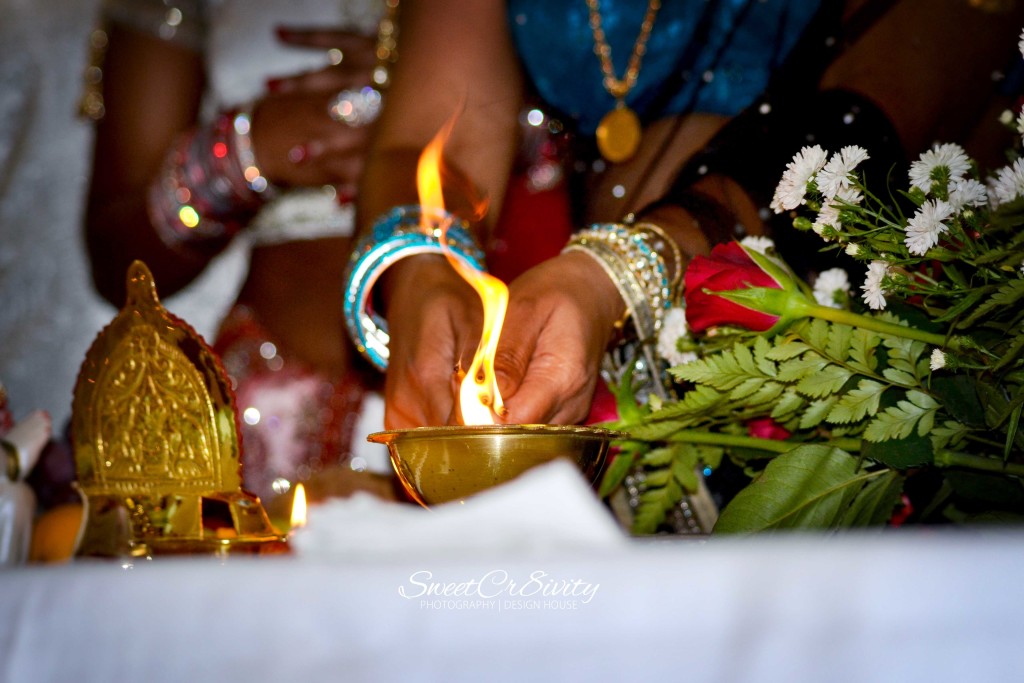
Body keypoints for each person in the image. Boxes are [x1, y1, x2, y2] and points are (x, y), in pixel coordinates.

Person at [347, 0, 1024, 432]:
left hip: (873, 319)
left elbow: (872, 114)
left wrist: (626, 269)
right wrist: (419, 272)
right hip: (616, 355)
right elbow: (434, 141)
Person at [82, 0, 401, 517]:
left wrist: (443, 105)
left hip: (490, 375)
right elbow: (120, 264)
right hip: (278, 410)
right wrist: (243, 153)